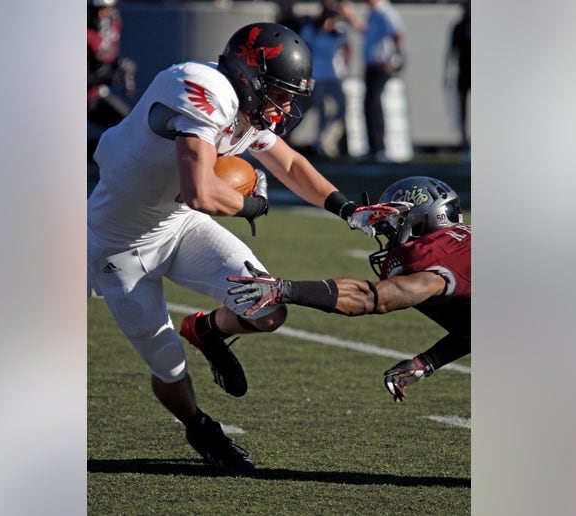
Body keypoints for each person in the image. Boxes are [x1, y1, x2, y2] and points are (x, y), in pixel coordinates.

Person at [88, 22, 405, 470]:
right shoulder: (202, 88)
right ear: (249, 77)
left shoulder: (245, 113)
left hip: (179, 226)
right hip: (119, 247)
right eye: (282, 91)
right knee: (168, 364)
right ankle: (199, 427)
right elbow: (200, 191)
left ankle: (208, 330)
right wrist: (250, 206)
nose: (289, 104)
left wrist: (348, 209)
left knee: (268, 307)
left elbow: (291, 164)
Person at [227, 176, 470, 402]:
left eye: (390, 228)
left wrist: (286, 289)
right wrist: (427, 362)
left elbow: (372, 298)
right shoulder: (461, 246)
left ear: (418, 222)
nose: (388, 238)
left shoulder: (437, 254)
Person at [339, 0, 405, 162]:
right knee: (369, 105)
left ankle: (379, 148)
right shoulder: (374, 13)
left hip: (382, 65)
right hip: (372, 66)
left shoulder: (386, 12)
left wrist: (395, 57)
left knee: (373, 104)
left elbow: (397, 33)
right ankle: (373, 147)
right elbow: (367, 32)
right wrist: (351, 17)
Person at [299, 1, 351, 159]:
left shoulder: (339, 32)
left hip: (334, 77)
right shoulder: (311, 31)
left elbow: (348, 48)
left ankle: (327, 142)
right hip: (317, 77)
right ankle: (319, 144)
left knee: (339, 109)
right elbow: (303, 50)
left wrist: (344, 65)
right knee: (322, 111)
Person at [88, 0, 136, 131]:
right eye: (103, 11)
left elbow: (109, 58)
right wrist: (113, 76)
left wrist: (121, 65)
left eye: (109, 10)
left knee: (128, 125)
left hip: (95, 93)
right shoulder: (85, 35)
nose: (107, 15)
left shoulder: (113, 26)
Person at [445, 1, 470, 153]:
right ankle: (463, 140)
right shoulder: (459, 27)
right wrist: (447, 73)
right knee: (462, 107)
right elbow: (451, 52)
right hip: (464, 72)